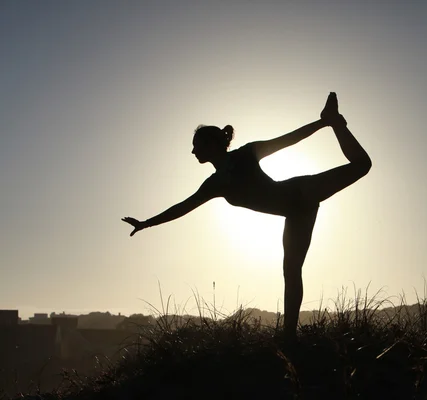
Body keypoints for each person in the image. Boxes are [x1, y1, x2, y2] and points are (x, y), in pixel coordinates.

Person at [122, 92, 371, 340]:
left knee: (362, 165)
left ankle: (334, 121)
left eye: (196, 145)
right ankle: (288, 338)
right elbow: (183, 207)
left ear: (211, 145)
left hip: (301, 192)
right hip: (297, 212)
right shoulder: (214, 183)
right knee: (292, 271)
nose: (192, 151)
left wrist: (323, 123)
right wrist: (147, 223)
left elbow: (289, 139)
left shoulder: (245, 155)